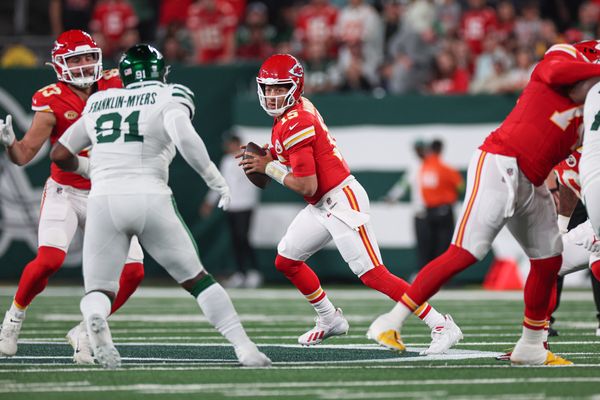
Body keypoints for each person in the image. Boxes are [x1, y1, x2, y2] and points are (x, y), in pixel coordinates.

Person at [367, 40, 600, 366]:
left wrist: (563, 221)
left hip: (532, 180)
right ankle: (389, 322)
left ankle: (531, 346)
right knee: (466, 252)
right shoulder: (562, 60)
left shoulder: (592, 107)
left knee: (548, 262)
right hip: (501, 161)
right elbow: (556, 69)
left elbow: (573, 167)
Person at [49, 44, 271, 369]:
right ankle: (245, 348)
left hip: (104, 199)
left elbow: (59, 153)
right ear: (160, 71)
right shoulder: (170, 94)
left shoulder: (98, 101)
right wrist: (213, 178)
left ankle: (94, 319)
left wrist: (90, 169)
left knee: (99, 288)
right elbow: (184, 136)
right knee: (199, 280)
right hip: (148, 194)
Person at [240, 53, 462, 354]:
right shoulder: (291, 116)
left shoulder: (296, 120)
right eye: (267, 88)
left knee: (373, 274)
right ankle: (329, 318)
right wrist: (269, 156)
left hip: (341, 201)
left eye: (279, 88)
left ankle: (441, 324)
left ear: (295, 86)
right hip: (322, 204)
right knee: (287, 260)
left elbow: (307, 184)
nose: (272, 95)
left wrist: (269, 167)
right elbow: (291, 156)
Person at [0, 30, 145, 365]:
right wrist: (9, 144)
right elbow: (23, 156)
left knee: (134, 273)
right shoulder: (52, 100)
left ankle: (86, 328)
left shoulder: (117, 84)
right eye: (75, 59)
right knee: (49, 260)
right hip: (66, 191)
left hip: (109, 192)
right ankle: (13, 319)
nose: (84, 65)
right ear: (58, 65)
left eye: (88, 57)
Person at [201, 134, 263, 288]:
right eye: (228, 144)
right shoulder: (226, 161)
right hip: (232, 206)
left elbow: (256, 181)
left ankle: (254, 273)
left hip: (246, 205)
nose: (228, 147)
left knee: (243, 238)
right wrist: (209, 202)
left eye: (231, 144)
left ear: (238, 144)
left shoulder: (248, 159)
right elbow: (221, 182)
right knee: (236, 240)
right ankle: (241, 274)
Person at [384, 140, 429, 269]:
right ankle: (424, 274)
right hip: (420, 212)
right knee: (422, 246)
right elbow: (403, 185)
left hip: (434, 212)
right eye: (417, 149)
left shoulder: (433, 165)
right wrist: (392, 196)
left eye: (421, 148)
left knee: (436, 246)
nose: (419, 152)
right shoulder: (415, 167)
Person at [419, 139, 464, 263]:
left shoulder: (424, 167)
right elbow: (460, 186)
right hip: (444, 210)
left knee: (431, 245)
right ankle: (445, 277)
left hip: (429, 211)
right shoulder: (446, 168)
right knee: (445, 246)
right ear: (441, 150)